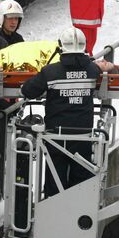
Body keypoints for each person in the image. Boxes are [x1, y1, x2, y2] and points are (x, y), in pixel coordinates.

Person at [20, 27, 101, 195]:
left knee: (54, 184)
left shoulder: (50, 72)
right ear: (84, 47)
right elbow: (108, 71)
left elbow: (28, 90)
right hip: (83, 136)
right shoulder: (93, 70)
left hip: (55, 137)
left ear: (61, 47)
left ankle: (52, 214)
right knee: (81, 185)